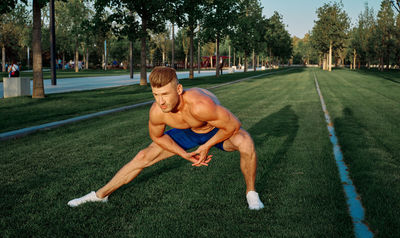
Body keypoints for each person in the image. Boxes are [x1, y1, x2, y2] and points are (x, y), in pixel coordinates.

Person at [68, 66, 264, 210]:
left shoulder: (200, 104)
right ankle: (100, 195)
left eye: (164, 94)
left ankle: (251, 193)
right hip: (186, 133)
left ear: (178, 90)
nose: (160, 101)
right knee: (143, 156)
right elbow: (157, 136)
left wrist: (207, 146)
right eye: (155, 94)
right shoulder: (157, 112)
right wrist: (182, 154)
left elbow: (233, 125)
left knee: (246, 142)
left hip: (214, 131)